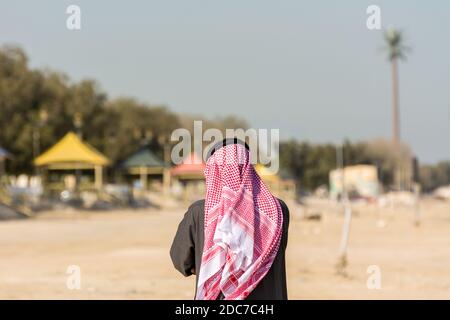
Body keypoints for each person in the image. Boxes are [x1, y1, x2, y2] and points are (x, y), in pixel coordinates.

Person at [170, 138, 289, 300]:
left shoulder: (199, 211)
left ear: (214, 170)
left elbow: (181, 261)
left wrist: (216, 267)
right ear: (248, 168)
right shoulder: (278, 209)